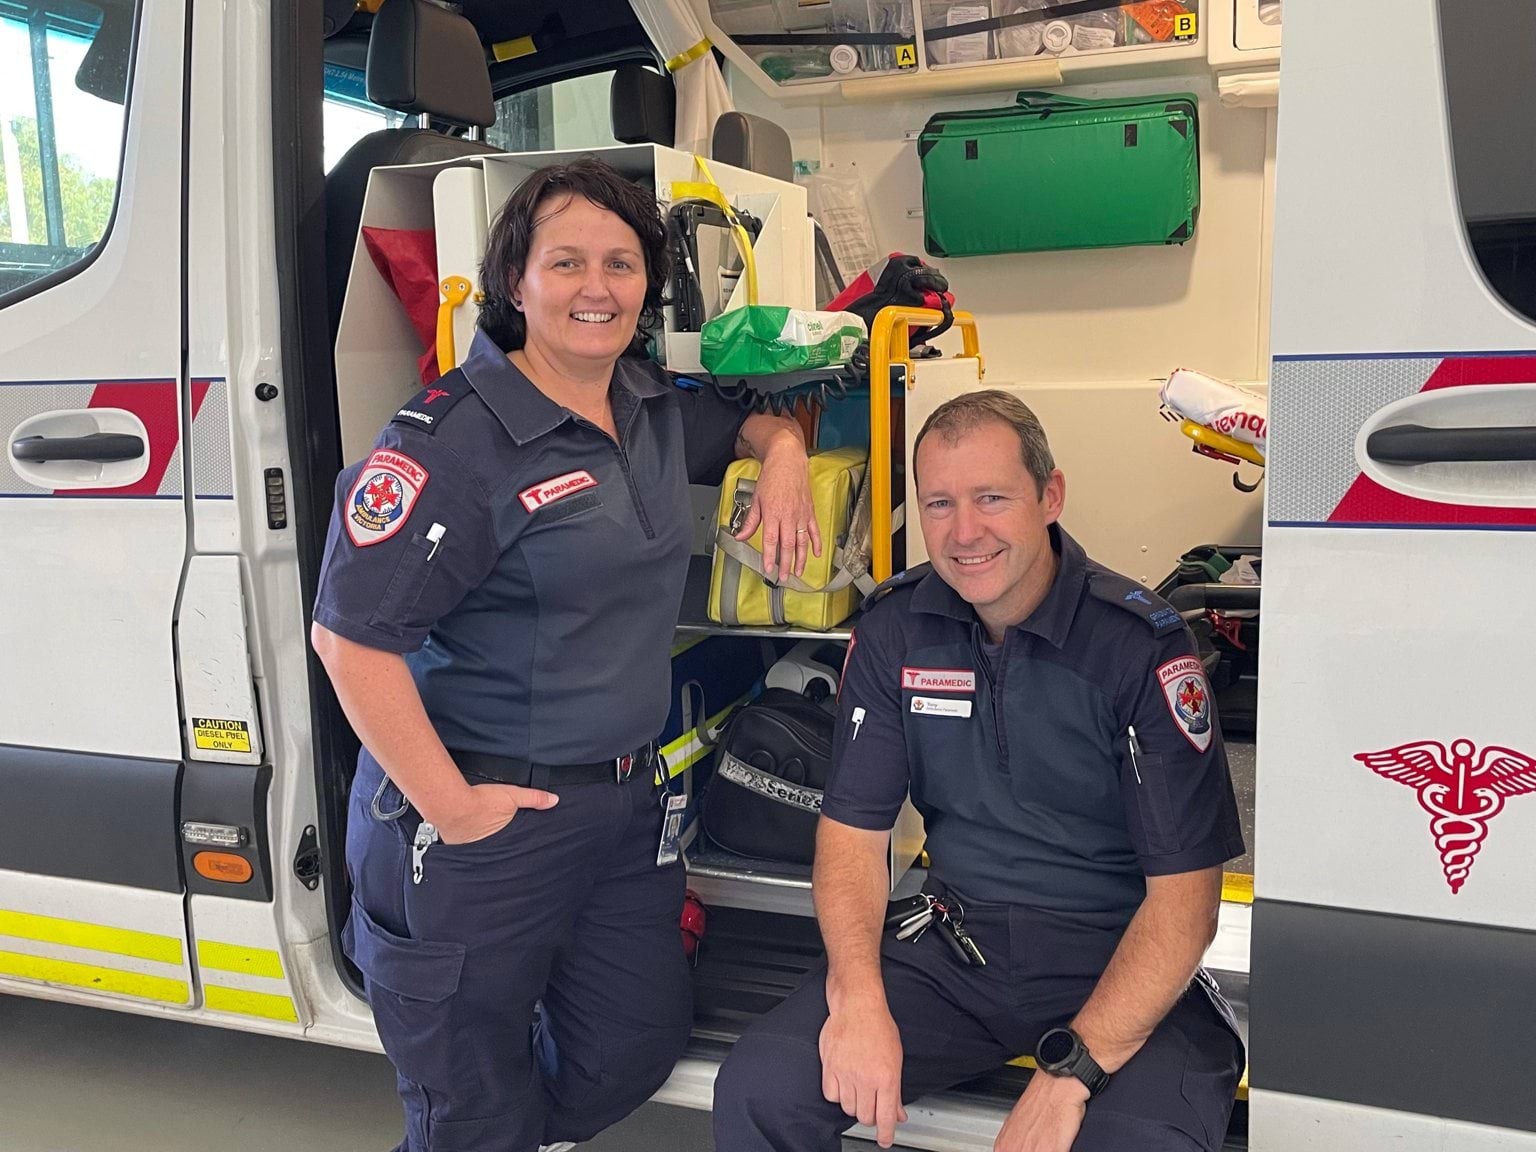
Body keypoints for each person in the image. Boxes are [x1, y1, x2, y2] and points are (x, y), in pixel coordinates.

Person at [311, 158, 817, 1152]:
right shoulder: (450, 442)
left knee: (630, 1047)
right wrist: (454, 809)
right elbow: (349, 638)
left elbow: (750, 418)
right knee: (469, 1106)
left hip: (624, 807)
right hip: (479, 815)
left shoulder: (648, 403)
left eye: (622, 264)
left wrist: (787, 456)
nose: (598, 288)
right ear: (515, 281)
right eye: (568, 262)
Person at [713, 390, 1246, 1152]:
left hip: (1116, 956)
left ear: (1049, 496)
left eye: (991, 498)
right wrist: (857, 994)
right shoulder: (898, 630)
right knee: (763, 1088)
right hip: (953, 949)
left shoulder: (1138, 649)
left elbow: (1186, 909)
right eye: (939, 504)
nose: (964, 533)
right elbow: (853, 839)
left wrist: (1070, 1076)